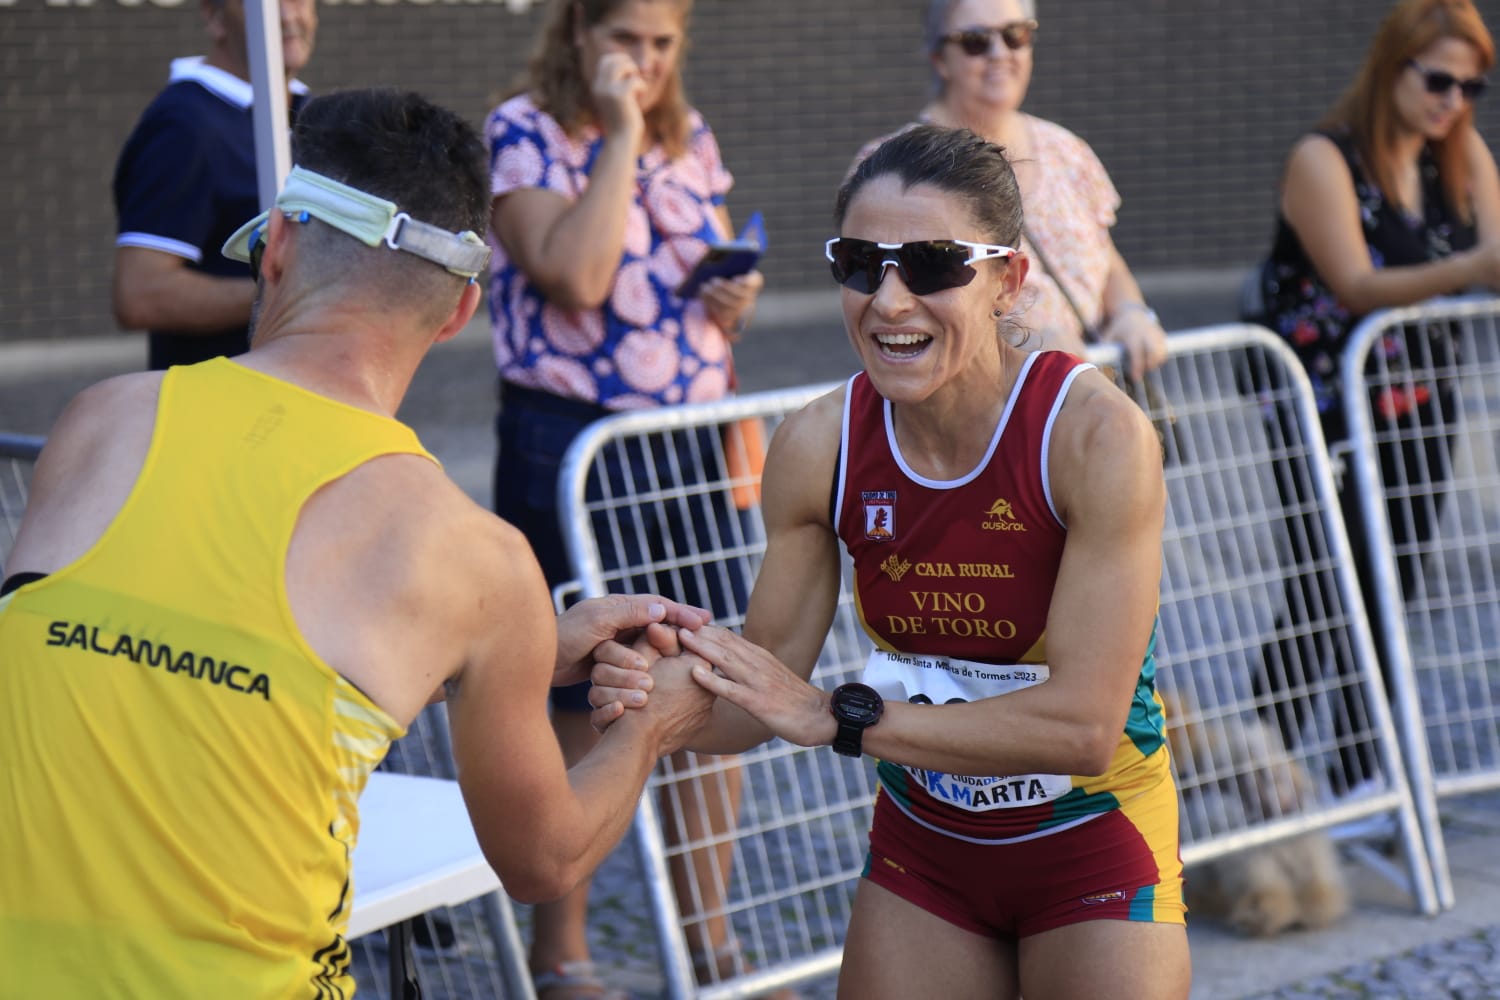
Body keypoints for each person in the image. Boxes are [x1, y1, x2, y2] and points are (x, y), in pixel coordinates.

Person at [0, 88, 718, 998]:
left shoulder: (99, 421)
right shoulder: (476, 562)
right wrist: (655, 722)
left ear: (280, 249)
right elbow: (545, 860)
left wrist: (513, 659)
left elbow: (182, 662)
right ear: (459, 314)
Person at [593, 125, 1189, 1000]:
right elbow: (759, 703)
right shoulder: (817, 443)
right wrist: (642, 688)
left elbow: (1082, 729)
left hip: (1090, 834)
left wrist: (840, 717)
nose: (891, 300)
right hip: (927, 847)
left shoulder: (1091, 435)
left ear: (1006, 280)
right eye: (862, 264)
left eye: (936, 265)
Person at [484, 1, 769, 996]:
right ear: (577, 35)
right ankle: (561, 950)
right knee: (571, 684)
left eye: (662, 45)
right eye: (625, 41)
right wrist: (622, 136)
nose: (645, 63)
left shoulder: (693, 138)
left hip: (687, 440)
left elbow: (714, 277)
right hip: (571, 441)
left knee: (705, 671)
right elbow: (576, 272)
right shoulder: (524, 129)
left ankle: (710, 939)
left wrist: (735, 299)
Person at [1246, 0, 1500, 791]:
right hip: (1321, 396)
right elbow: (1357, 284)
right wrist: (1467, 272)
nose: (1453, 101)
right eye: (1438, 81)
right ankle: (1264, 785)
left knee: (1396, 586)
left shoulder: (1456, 155)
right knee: (1326, 582)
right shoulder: (1324, 157)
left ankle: (1365, 782)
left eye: (1472, 87)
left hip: (1422, 392)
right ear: (1393, 68)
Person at [852, 0, 1167, 380]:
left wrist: (1131, 313)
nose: (1000, 54)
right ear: (940, 59)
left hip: (1088, 393)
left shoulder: (1065, 149)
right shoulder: (893, 166)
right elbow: (884, 292)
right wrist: (1023, 343)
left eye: (1015, 35)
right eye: (975, 41)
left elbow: (1104, 257)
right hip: (986, 410)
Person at [112, 0, 317, 371]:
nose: (288, 15)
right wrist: (296, 291)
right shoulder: (185, 127)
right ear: (213, 17)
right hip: (223, 412)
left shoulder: (314, 117)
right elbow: (141, 294)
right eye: (264, 5)